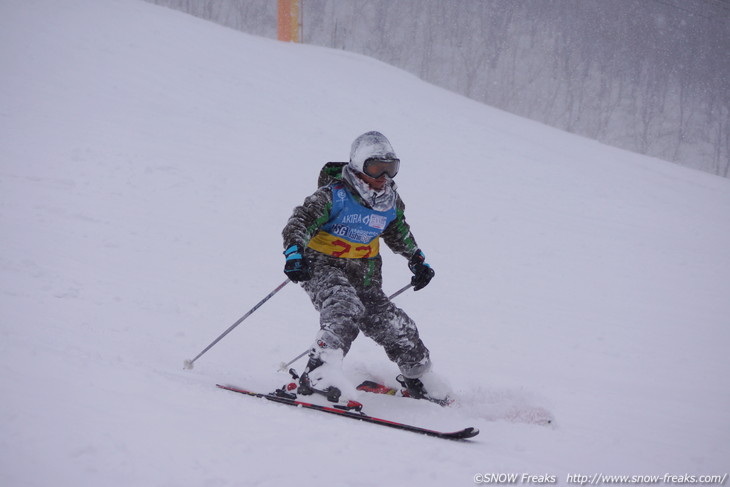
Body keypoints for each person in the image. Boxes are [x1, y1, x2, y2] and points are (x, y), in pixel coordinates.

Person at [281, 131, 436, 402]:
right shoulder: (333, 195)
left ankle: (420, 378)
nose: (383, 178)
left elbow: (398, 230)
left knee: (394, 324)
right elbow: (300, 222)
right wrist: (294, 253)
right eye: (376, 168)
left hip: (365, 273)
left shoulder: (389, 202)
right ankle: (318, 377)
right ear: (357, 166)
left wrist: (416, 259)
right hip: (322, 265)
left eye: (391, 169)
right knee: (343, 308)